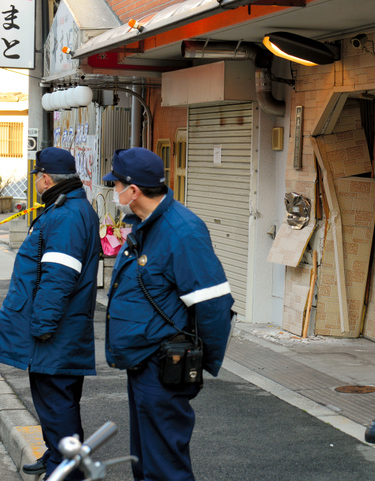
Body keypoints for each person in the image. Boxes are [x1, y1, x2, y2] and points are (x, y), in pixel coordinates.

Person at [103, 147, 234, 481]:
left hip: (165, 366)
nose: (113, 191)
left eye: (116, 185)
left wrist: (197, 363)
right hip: (144, 360)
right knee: (146, 461)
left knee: (165, 466)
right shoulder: (145, 225)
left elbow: (214, 304)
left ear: (133, 191)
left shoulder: (182, 231)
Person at [0, 147, 100, 480]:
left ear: (46, 178)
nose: (36, 181)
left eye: (37, 176)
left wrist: (43, 325)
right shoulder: (67, 209)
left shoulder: (65, 215)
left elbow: (59, 276)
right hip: (60, 328)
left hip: (56, 330)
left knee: (57, 401)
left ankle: (65, 470)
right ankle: (57, 454)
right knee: (55, 400)